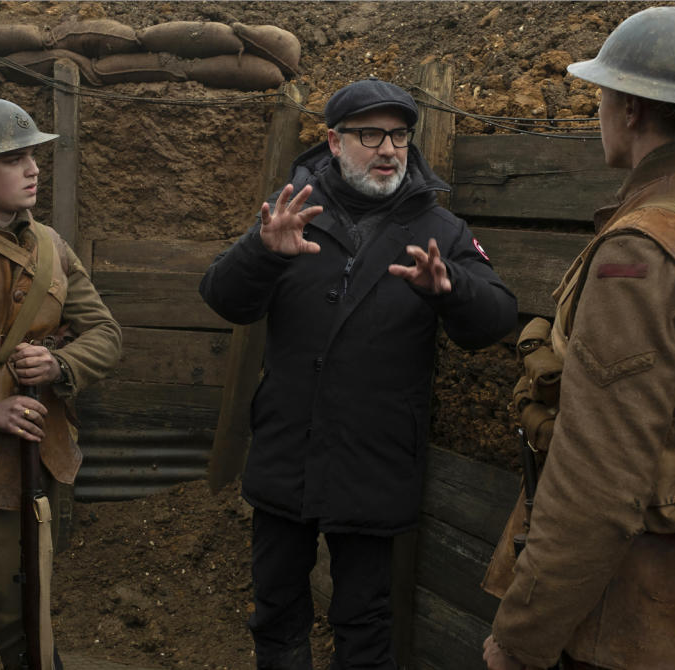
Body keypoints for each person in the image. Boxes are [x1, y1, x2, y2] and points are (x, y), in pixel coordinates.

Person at [483, 7, 675, 670]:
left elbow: (597, 485)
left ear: (631, 108)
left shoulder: (640, 256)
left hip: (619, 628)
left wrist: (520, 641)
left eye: (602, 93)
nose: (599, 109)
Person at [200, 78, 518, 669]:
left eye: (398, 135)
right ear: (333, 142)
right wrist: (262, 253)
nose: (389, 149)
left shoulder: (439, 230)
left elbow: (493, 319)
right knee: (275, 608)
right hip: (287, 448)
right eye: (370, 134)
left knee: (364, 619)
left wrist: (451, 291)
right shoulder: (293, 209)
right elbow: (223, 298)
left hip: (375, 458)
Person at [0, 98, 122, 669]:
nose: (33, 169)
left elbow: (104, 333)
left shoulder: (52, 247)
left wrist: (60, 367)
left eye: (32, 154)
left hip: (43, 451)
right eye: (12, 159)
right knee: (0, 614)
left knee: (35, 598)